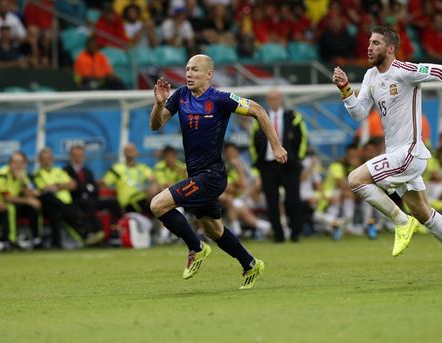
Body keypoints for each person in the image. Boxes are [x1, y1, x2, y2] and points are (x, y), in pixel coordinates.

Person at [333, 25, 442, 284]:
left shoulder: (404, 71)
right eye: (369, 42)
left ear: (390, 49)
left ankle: (400, 222)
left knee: (355, 180)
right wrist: (345, 89)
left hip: (410, 152)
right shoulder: (370, 77)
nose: (369, 47)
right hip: (397, 153)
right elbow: (358, 113)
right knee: (422, 212)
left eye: (376, 43)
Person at [149, 54, 287, 289]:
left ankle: (196, 248)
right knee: (214, 229)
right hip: (195, 175)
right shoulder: (181, 95)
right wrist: (160, 103)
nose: (189, 74)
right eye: (187, 69)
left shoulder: (221, 99)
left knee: (158, 205)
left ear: (209, 75)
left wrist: (275, 145)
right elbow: (156, 125)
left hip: (212, 175)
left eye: (195, 70)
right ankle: (250, 263)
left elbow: (258, 110)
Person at [250, 89, 307, 242]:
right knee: (272, 201)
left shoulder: (293, 117)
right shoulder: (260, 118)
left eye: (276, 98)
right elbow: (253, 142)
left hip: (289, 165)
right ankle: (278, 234)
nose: (274, 101)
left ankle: (296, 233)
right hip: (268, 166)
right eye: (271, 99)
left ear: (281, 99)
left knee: (292, 199)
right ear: (268, 101)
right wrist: (258, 162)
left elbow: (303, 139)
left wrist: (297, 159)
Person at [63, 145, 122, 242]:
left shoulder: (88, 171)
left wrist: (84, 189)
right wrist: (86, 188)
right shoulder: (65, 171)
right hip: (76, 202)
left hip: (91, 200)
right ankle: (97, 231)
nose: (78, 158)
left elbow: (94, 189)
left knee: (113, 202)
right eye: (76, 155)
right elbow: (73, 189)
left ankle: (116, 232)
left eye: (80, 155)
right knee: (89, 203)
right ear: (71, 157)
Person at [33, 148, 88, 248]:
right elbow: (43, 189)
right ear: (39, 161)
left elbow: (73, 184)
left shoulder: (59, 171)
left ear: (52, 159)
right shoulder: (37, 174)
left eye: (48, 159)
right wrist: (62, 185)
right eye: (44, 159)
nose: (46, 161)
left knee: (57, 210)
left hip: (65, 203)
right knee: (52, 204)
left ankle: (57, 242)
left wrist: (57, 186)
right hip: (49, 205)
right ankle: (83, 236)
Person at [0, 151, 41, 248]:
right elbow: (7, 197)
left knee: (33, 206)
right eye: (15, 162)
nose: (18, 165)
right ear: (10, 163)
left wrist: (23, 182)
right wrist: (28, 200)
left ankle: (36, 239)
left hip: (15, 202)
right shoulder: (2, 174)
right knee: (11, 208)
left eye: (21, 163)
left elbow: (29, 194)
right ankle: (10, 240)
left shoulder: (23, 175)